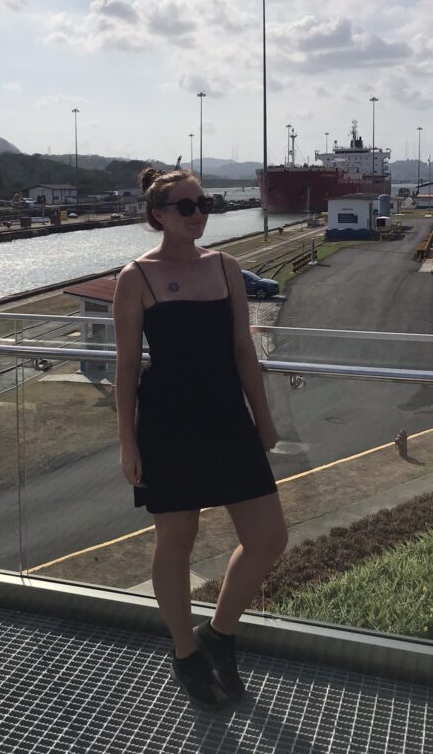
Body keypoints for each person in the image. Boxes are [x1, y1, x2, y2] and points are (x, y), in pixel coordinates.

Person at [113, 167, 288, 711]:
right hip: (167, 422)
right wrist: (127, 441)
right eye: (185, 206)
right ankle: (186, 654)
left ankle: (221, 632)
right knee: (177, 539)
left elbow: (242, 349)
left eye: (203, 203)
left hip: (226, 417)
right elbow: (124, 369)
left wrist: (263, 417)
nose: (197, 214)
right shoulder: (136, 277)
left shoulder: (226, 267)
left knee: (268, 536)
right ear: (158, 214)